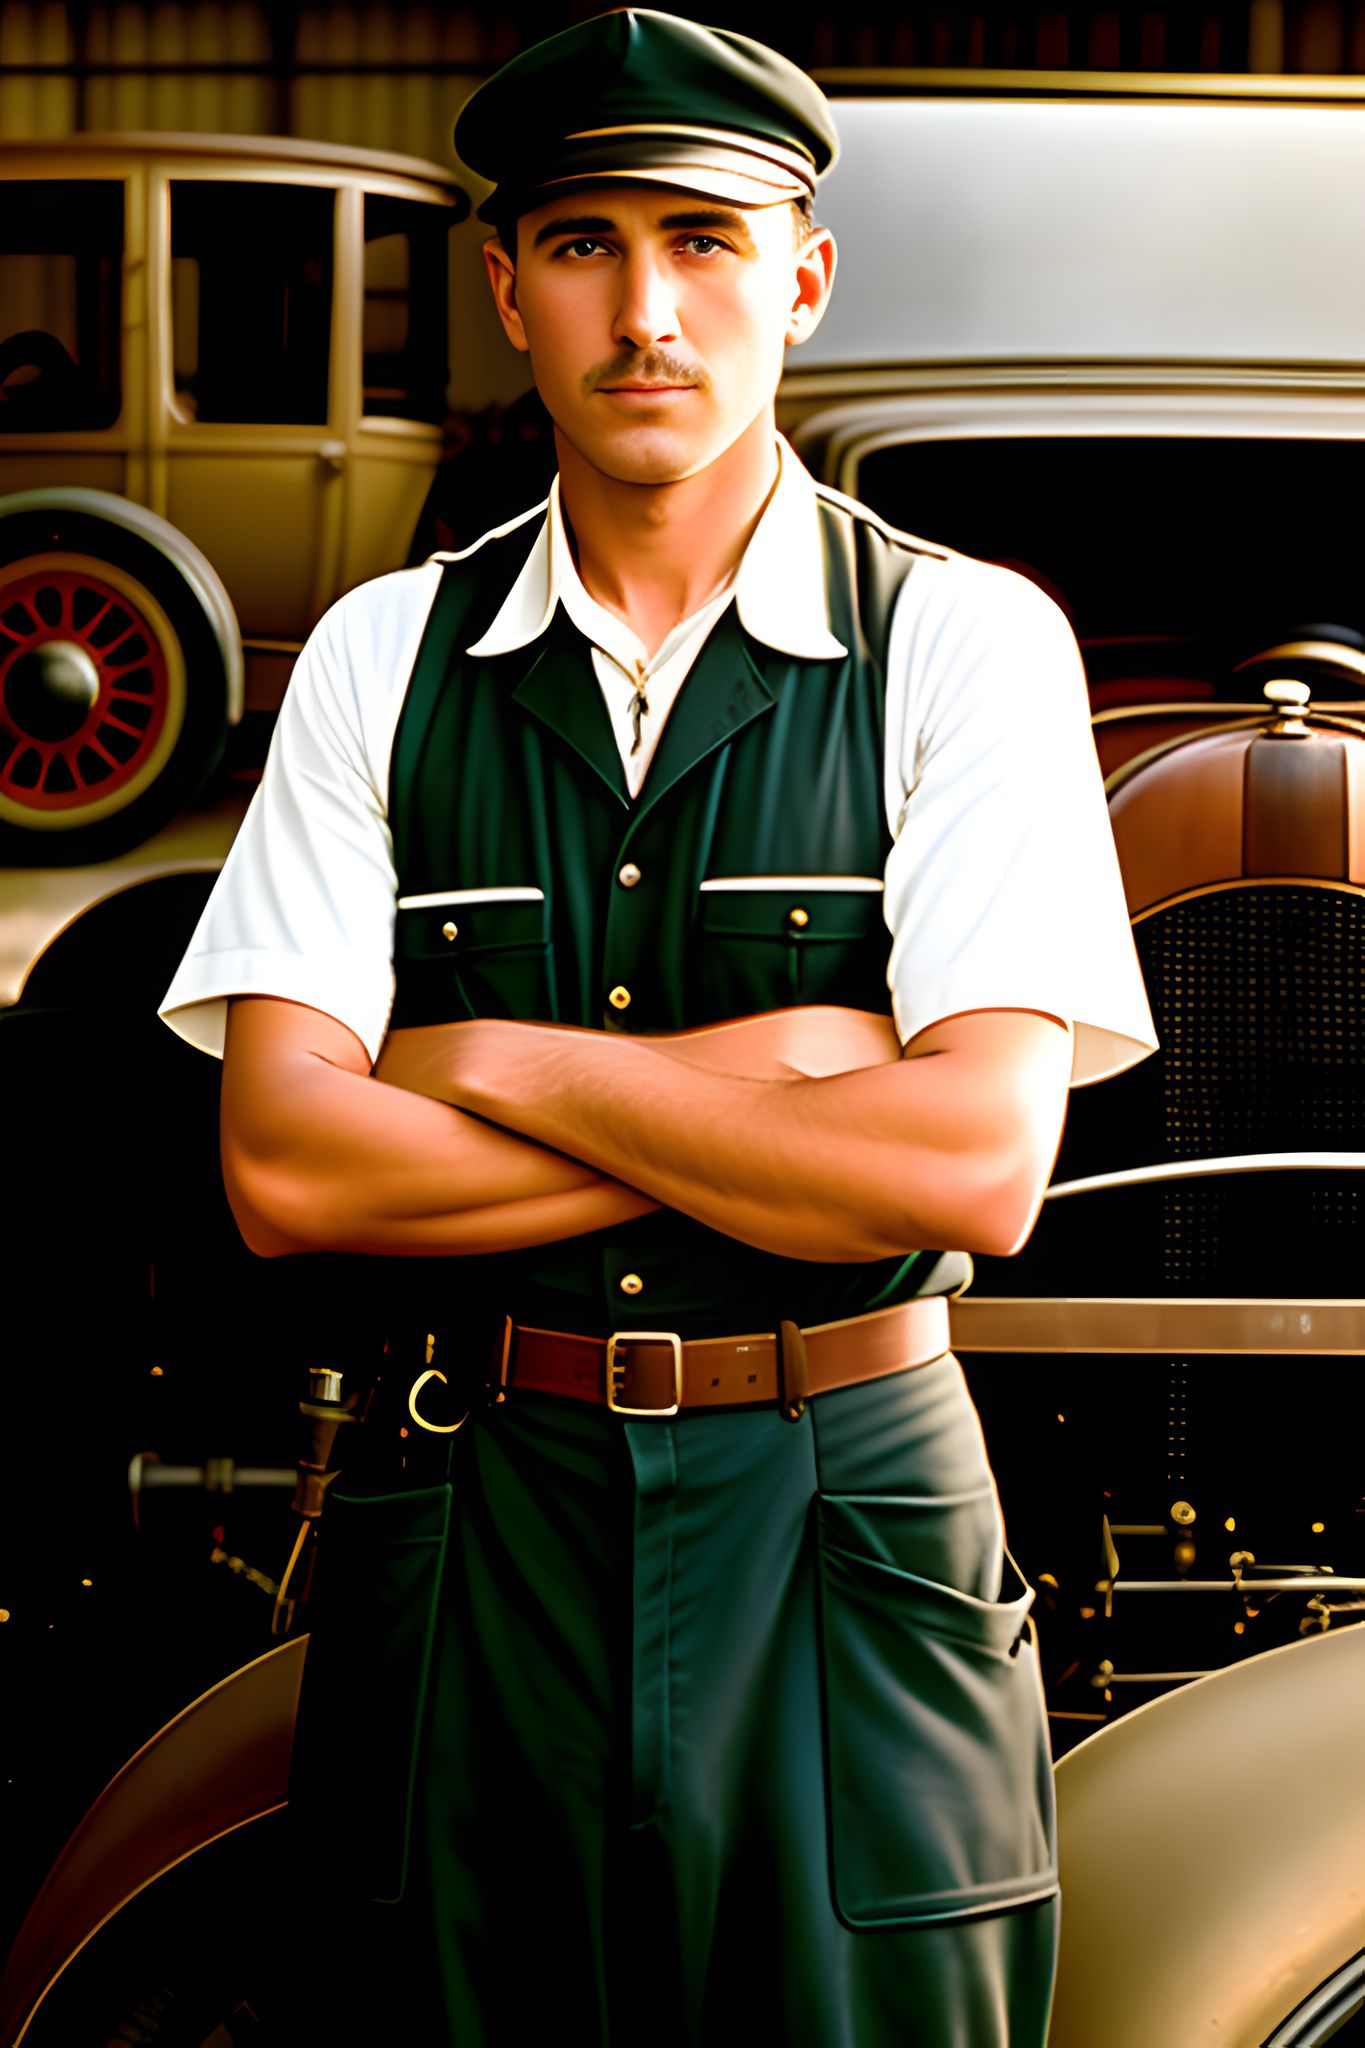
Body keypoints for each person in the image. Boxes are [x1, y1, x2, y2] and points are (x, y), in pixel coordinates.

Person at [159, 11, 1156, 2043]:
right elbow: (286, 1167)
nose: (644, 312)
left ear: (800, 277)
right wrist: (793, 1076)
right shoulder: (381, 656)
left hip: (846, 1511)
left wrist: (492, 1062)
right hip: (475, 1509)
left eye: (702, 242)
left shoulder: (962, 642)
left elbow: (974, 1163)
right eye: (584, 245)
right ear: (504, 287)